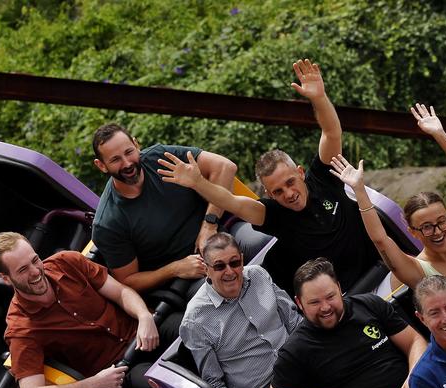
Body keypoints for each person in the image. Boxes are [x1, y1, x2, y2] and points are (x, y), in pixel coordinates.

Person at [157, 59, 381, 291]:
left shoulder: (323, 177)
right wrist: (197, 182)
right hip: (344, 295)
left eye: (290, 182)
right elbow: (231, 202)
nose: (289, 194)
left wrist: (319, 98)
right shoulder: (273, 214)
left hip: (379, 267)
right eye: (278, 192)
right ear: (269, 194)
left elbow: (332, 132)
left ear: (300, 172)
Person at [330, 105, 446, 320]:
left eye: (442, 222)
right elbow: (381, 240)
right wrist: (360, 191)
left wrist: (439, 133)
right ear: (413, 232)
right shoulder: (418, 271)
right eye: (427, 227)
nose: (438, 231)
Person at [267, 258, 427, 388]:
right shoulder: (296, 350)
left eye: (330, 297)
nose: (325, 307)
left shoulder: (369, 304)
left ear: (339, 288)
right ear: (299, 303)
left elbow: (415, 341)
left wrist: (415, 373)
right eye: (315, 302)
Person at [0, 231, 159, 388]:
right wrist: (94, 384)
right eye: (23, 270)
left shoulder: (66, 261)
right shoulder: (21, 328)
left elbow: (121, 293)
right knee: (162, 385)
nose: (36, 271)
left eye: (35, 260)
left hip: (145, 332)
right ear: (6, 278)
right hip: (123, 370)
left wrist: (144, 315)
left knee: (191, 324)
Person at [178, 233, 301, 388]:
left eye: (234, 263)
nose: (230, 271)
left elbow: (294, 321)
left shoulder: (259, 275)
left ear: (242, 260)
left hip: (300, 362)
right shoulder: (195, 321)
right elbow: (214, 384)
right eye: (219, 266)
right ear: (206, 269)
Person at [91, 123, 237, 298]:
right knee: (224, 287)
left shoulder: (160, 158)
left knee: (266, 242)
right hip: (187, 278)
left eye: (129, 152)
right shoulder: (108, 222)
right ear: (101, 165)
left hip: (222, 237)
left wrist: (209, 225)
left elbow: (225, 167)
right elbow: (128, 281)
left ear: (136, 145)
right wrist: (174, 269)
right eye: (115, 160)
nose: (127, 163)